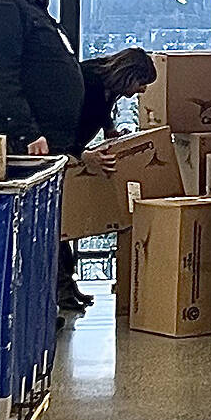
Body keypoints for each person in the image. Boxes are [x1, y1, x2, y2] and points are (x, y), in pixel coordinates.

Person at [0, 0, 88, 312]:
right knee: (31, 224)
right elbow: (1, 77)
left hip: (51, 138)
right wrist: (27, 132)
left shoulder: (37, 11)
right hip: (25, 140)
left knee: (52, 219)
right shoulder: (3, 9)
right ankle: (31, 306)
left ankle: (56, 292)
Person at [60, 48, 158, 308]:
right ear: (129, 75)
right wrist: (83, 154)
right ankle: (63, 288)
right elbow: (63, 123)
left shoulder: (108, 85)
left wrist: (111, 132)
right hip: (63, 149)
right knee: (61, 224)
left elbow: (102, 111)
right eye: (142, 83)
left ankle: (68, 285)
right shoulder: (87, 80)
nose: (142, 90)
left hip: (76, 147)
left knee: (65, 223)